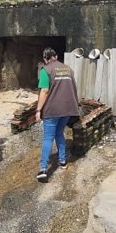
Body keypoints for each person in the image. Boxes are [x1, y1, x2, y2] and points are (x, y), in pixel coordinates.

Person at [35, 47, 80, 182]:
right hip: (67, 109)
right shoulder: (68, 69)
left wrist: (38, 110)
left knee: (48, 138)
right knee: (60, 134)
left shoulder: (46, 70)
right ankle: (63, 162)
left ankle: (43, 169)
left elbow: (44, 91)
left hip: (53, 110)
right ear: (56, 56)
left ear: (45, 59)